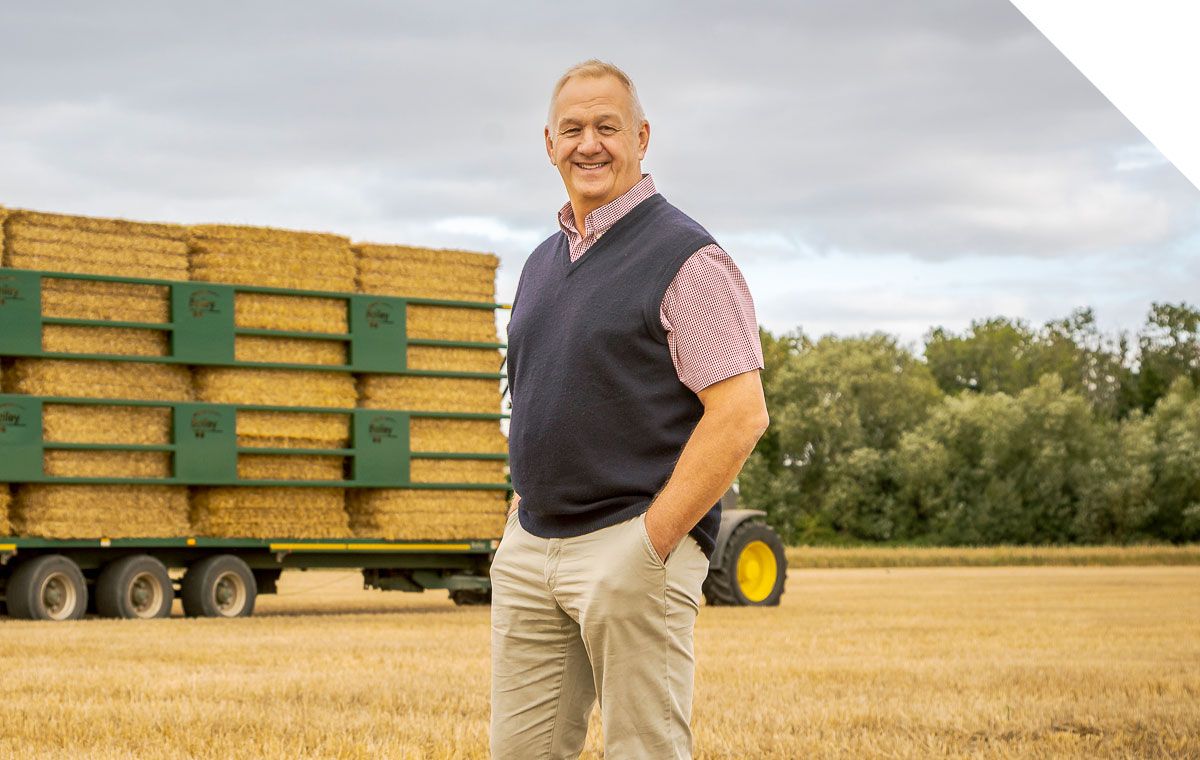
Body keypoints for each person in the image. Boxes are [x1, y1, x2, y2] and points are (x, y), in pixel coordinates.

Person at [491, 59, 769, 760]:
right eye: (573, 129)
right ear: (548, 143)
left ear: (642, 137)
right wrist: (515, 521)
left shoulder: (686, 259)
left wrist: (651, 541)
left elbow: (740, 414)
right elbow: (536, 397)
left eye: (607, 128)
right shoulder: (539, 264)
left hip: (631, 548)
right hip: (532, 548)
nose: (590, 144)